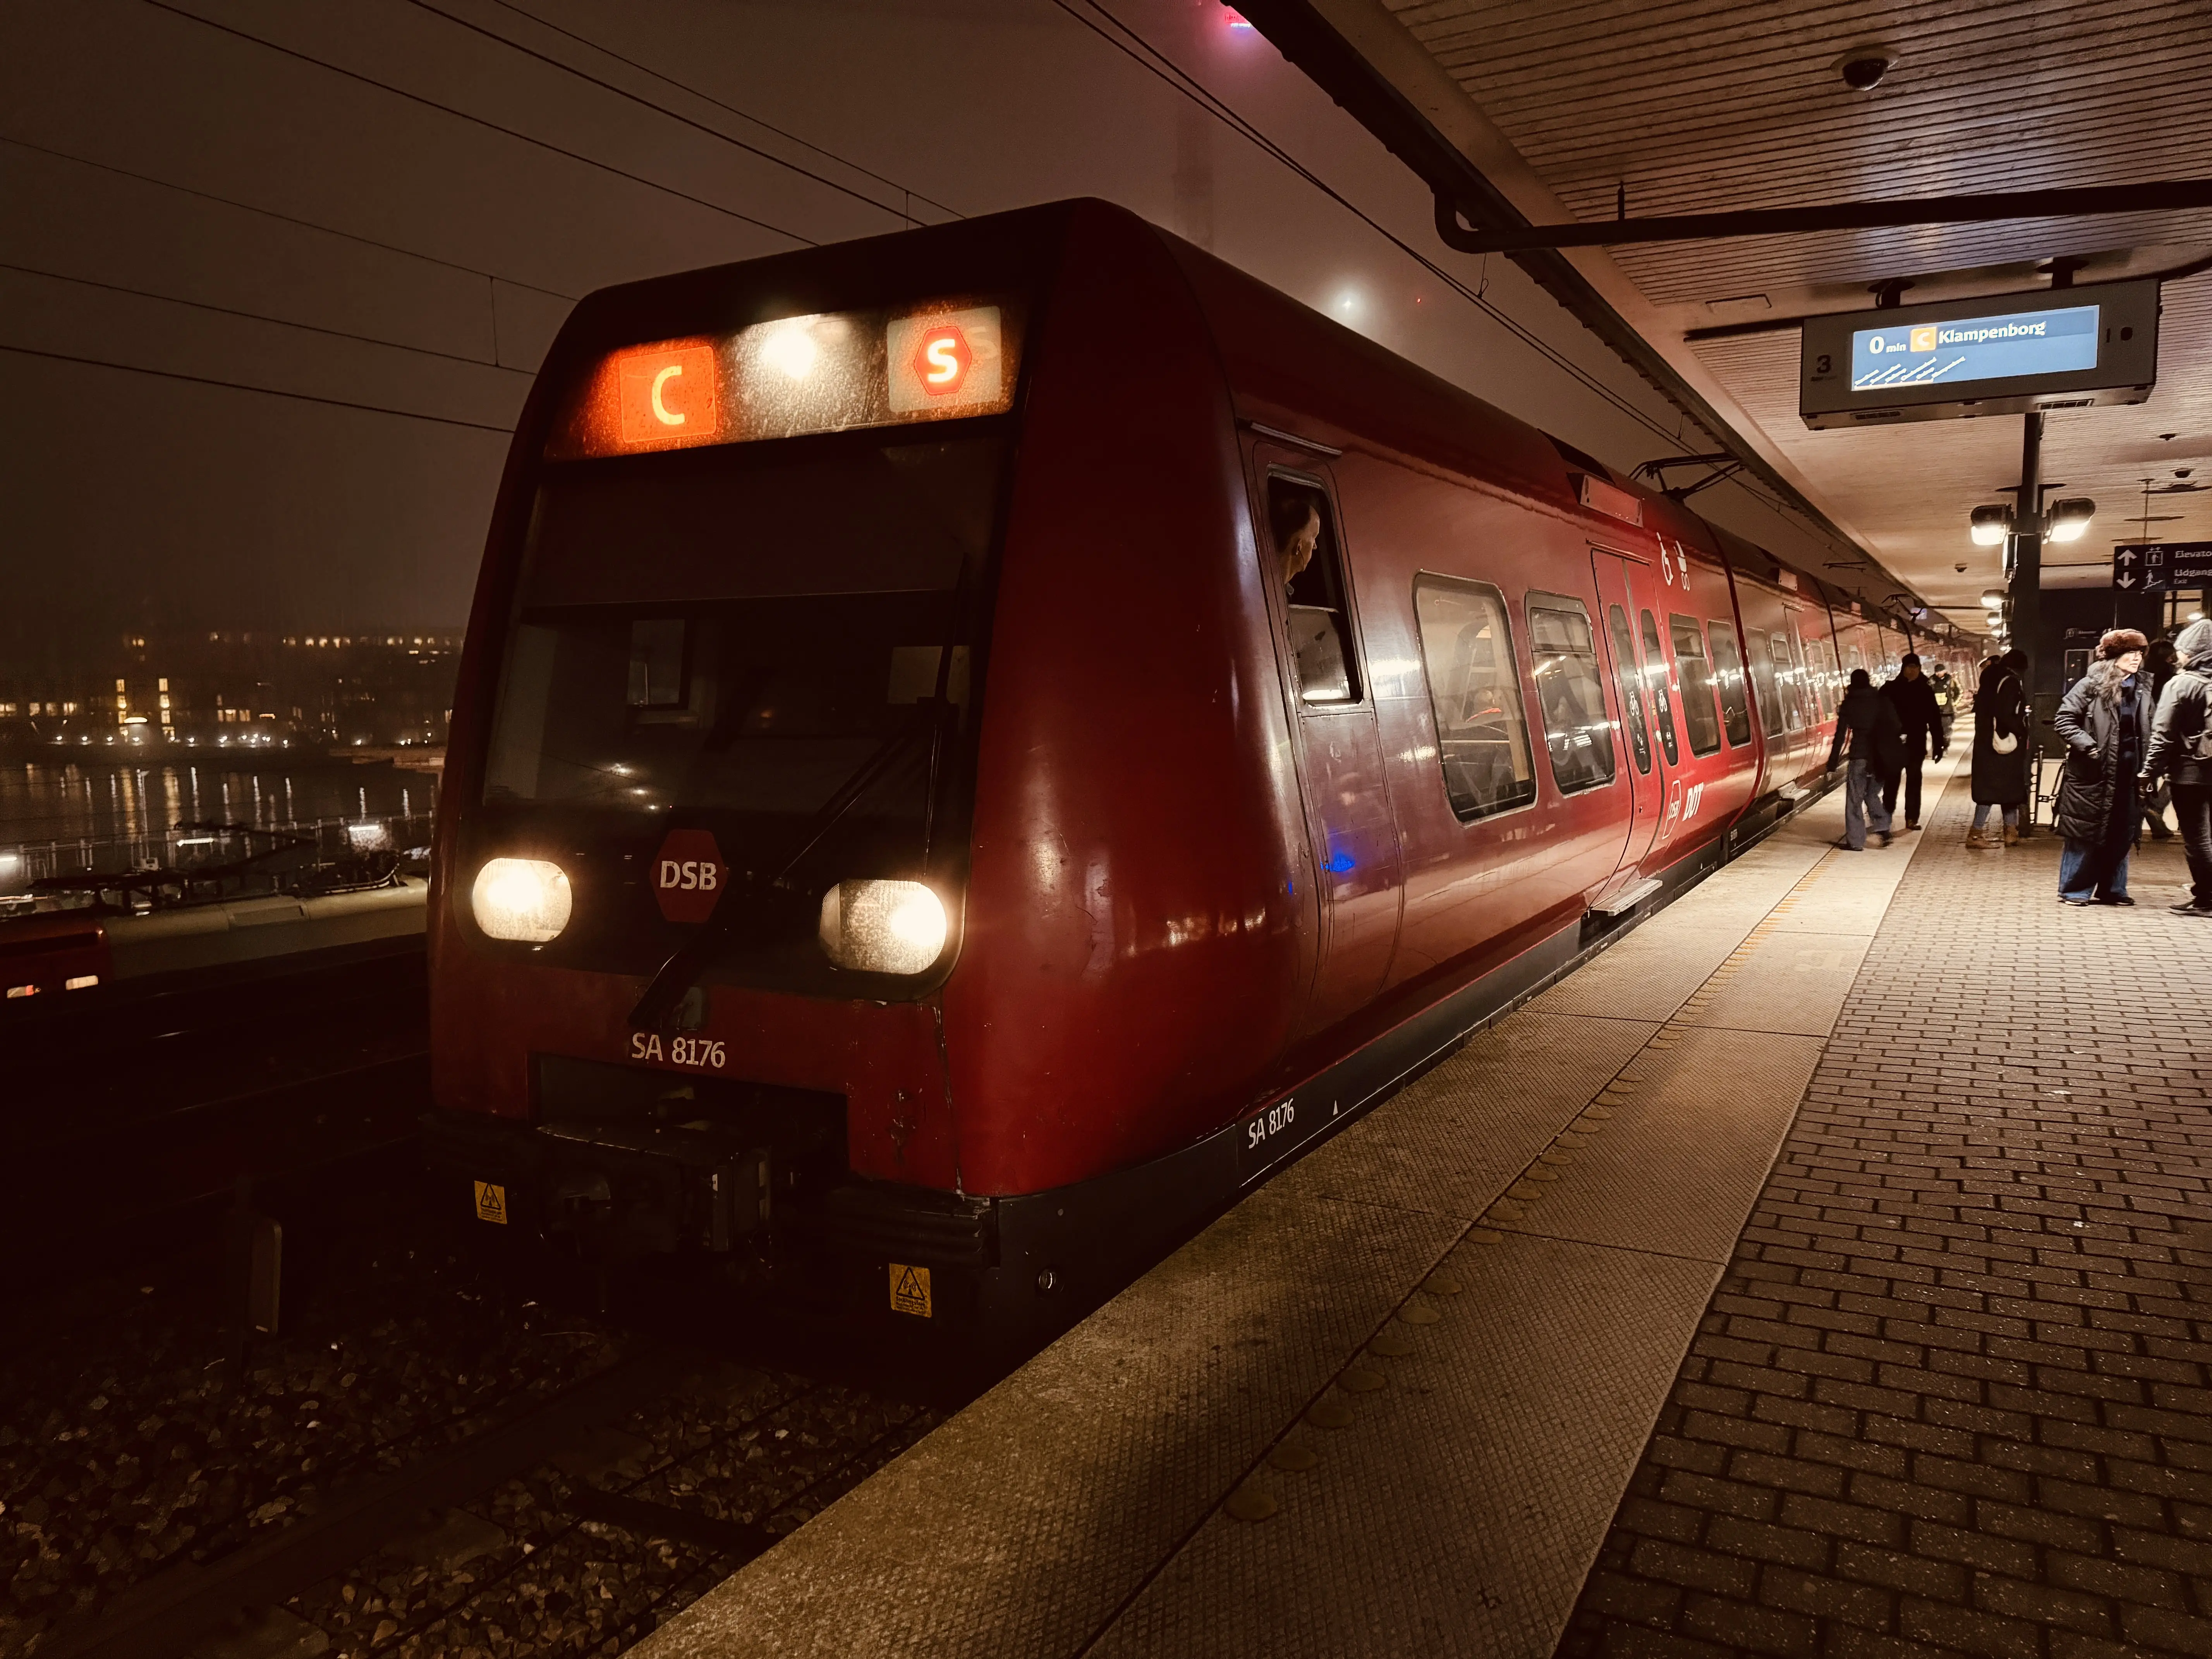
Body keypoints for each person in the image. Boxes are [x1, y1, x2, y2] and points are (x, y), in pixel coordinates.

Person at [2052, 629, 2153, 906]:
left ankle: (2113, 890)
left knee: (2122, 832)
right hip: (2094, 772)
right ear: (2114, 657)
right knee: (2085, 832)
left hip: (2129, 773)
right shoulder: (2090, 685)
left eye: (2140, 653)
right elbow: (2064, 720)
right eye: (2130, 653)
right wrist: (2088, 745)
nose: (2137, 658)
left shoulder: (2144, 687)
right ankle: (2074, 890)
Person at [2140, 617, 2212, 916]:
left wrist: (2149, 772)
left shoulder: (2183, 684)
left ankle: (2206, 897)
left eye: (2181, 650)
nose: (2177, 656)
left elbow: (2163, 735)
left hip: (2191, 771)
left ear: (2192, 652)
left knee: (2197, 837)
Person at [1827, 666, 1905, 850]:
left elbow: (1840, 737)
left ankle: (1855, 842)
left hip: (1859, 756)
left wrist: (1832, 763)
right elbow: (1897, 726)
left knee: (1855, 799)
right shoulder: (1881, 701)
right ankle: (1883, 826)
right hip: (1880, 757)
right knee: (1872, 794)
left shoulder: (1849, 704)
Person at [1967, 649, 2029, 848]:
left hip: (1987, 741)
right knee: (2001, 788)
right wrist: (2021, 731)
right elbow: (2006, 713)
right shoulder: (2010, 682)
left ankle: (2008, 832)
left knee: (1998, 789)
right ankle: (1979, 834)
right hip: (2004, 744)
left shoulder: (1990, 680)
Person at [1879, 653, 1944, 830]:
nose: (1913, 670)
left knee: (1915, 781)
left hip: (1917, 743)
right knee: (1892, 781)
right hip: (1894, 744)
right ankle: (1887, 815)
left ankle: (1912, 818)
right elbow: (1880, 715)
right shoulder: (1890, 689)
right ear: (1904, 668)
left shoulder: (1926, 690)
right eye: (1910, 667)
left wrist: (1939, 745)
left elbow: (1935, 720)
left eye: (1916, 667)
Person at [2141, 637, 2181, 840]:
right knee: (2178, 773)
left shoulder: (2144, 677)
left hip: (2146, 732)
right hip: (2170, 732)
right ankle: (2155, 808)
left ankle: (2148, 811)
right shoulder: (2172, 679)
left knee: (2148, 774)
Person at [1928, 662, 1960, 751]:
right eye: (1936, 672)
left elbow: (1959, 692)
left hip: (1948, 712)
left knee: (1947, 732)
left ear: (1945, 671)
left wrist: (1954, 704)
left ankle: (1945, 747)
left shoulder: (1951, 681)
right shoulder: (1931, 682)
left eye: (1940, 672)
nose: (1938, 674)